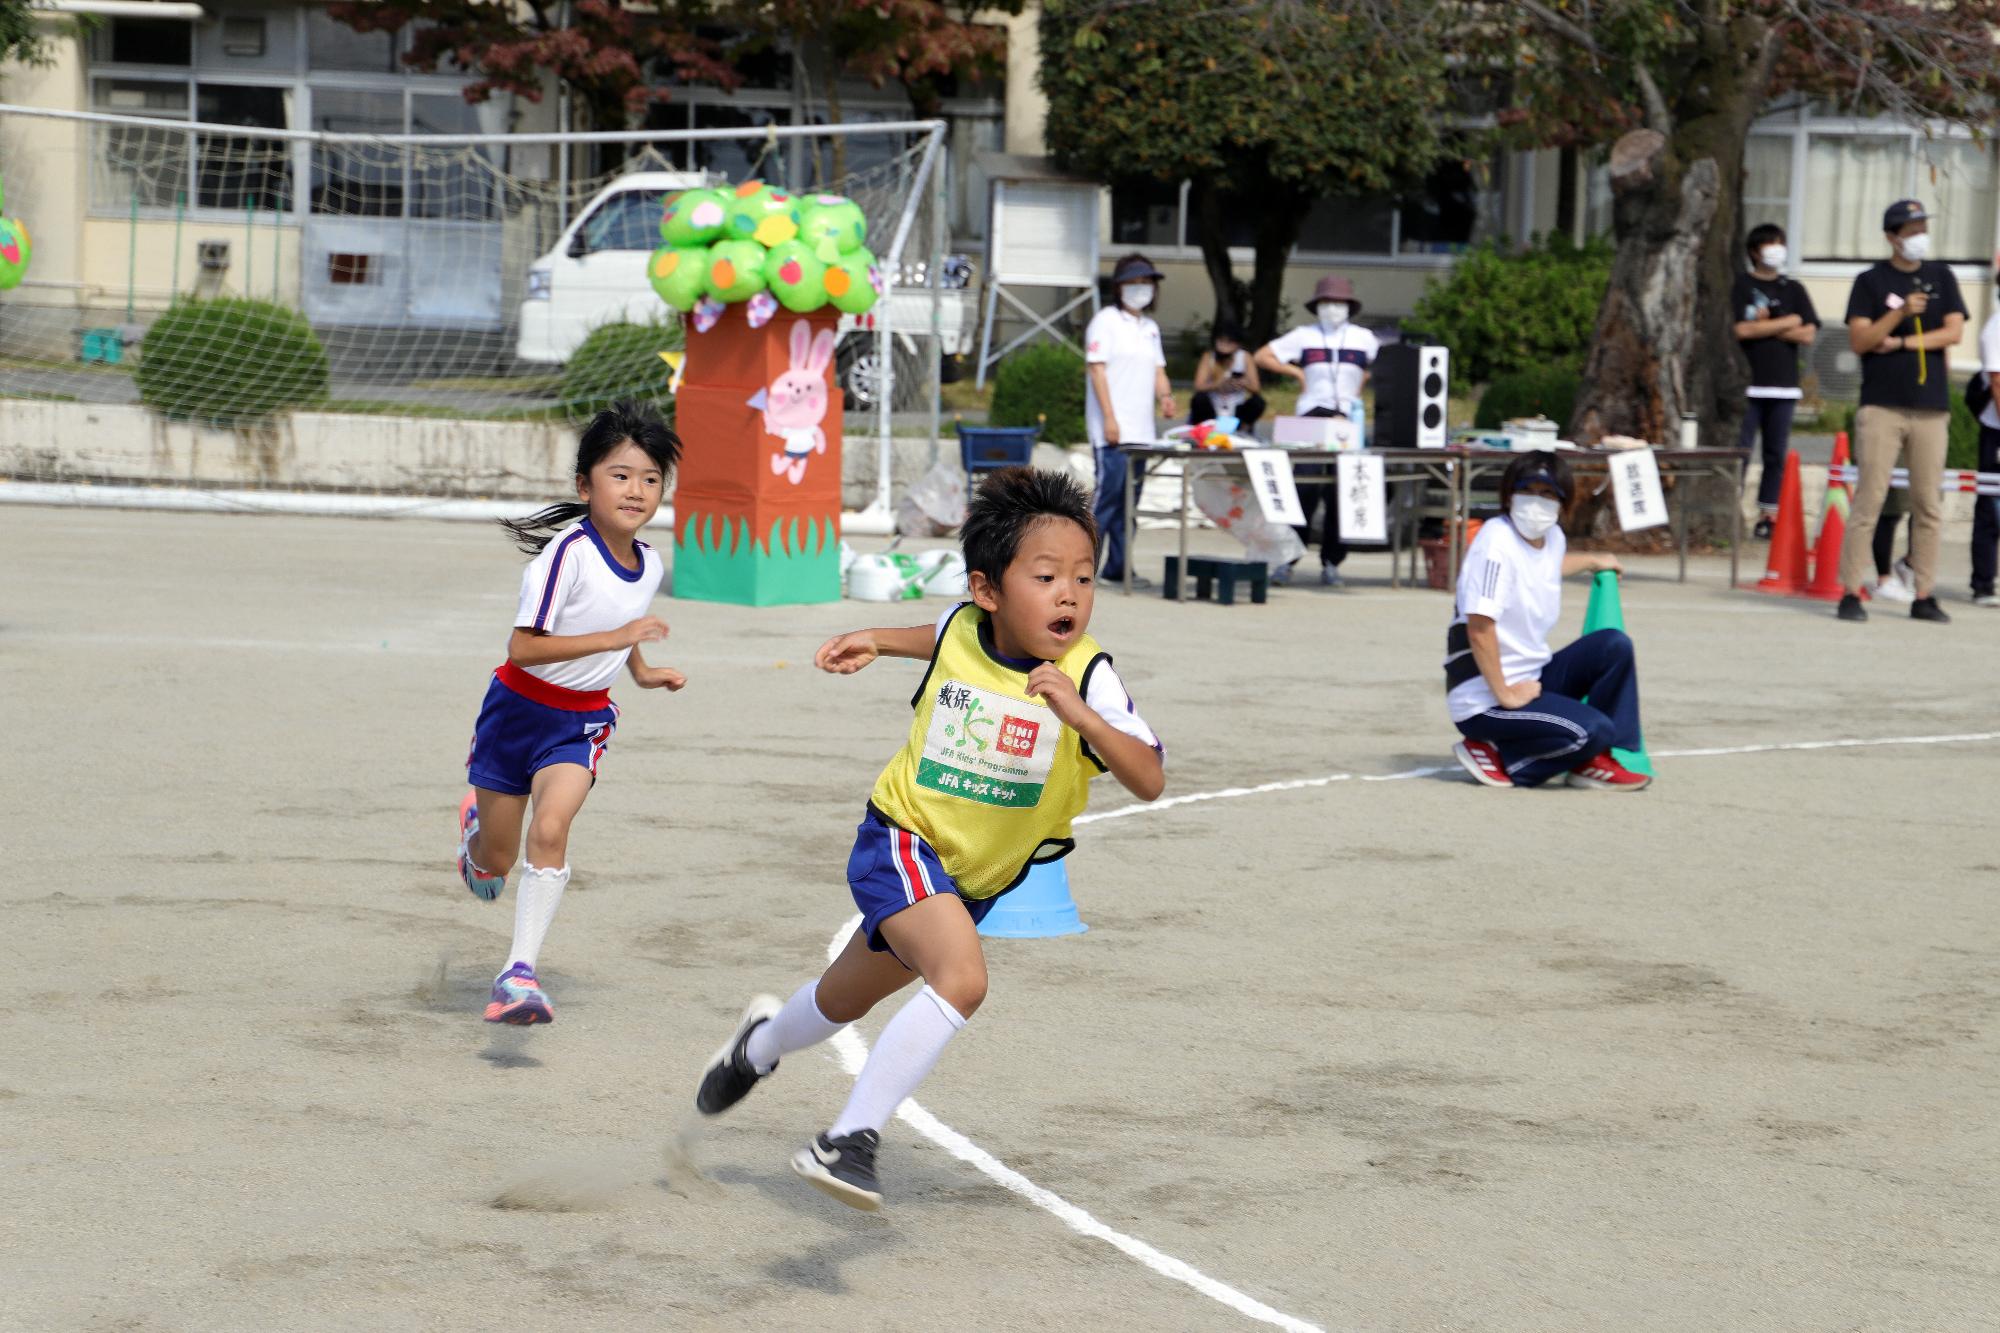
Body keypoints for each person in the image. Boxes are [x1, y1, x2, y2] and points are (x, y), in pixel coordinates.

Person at [692, 468, 1165, 1211]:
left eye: (1082, 576)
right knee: (963, 979)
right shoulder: (961, 627)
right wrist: (876, 638)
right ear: (988, 591)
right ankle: (848, 1138)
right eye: (1045, 576)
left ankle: (756, 1046)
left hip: (971, 881)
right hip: (902, 840)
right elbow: (940, 635)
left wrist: (1085, 720)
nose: (1070, 592)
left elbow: (1149, 777)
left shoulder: (1088, 676)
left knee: (837, 1001)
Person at [455, 402, 687, 1025]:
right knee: (496, 862)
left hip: (580, 722)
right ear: (585, 485)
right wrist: (616, 641)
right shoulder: (566, 555)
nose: (636, 490)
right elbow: (523, 648)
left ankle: (519, 976)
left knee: (552, 829)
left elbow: (622, 625)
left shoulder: (651, 562)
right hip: (515, 712)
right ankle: (474, 840)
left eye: (650, 478)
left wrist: (640, 672)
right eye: (620, 475)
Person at [1444, 451, 1649, 791]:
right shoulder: (1495, 543)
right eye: (1528, 491)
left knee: (1613, 646)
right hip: (1485, 697)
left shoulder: (1552, 539)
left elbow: (1544, 566)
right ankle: (1503, 755)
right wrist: (1505, 694)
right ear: (1509, 495)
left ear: (1562, 503)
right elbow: (1479, 627)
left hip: (1532, 678)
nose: (1537, 502)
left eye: (1549, 494)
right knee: (1592, 729)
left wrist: (1593, 561)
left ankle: (1598, 757)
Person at [1836, 198, 1965, 624]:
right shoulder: (1870, 281)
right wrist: (1897, 315)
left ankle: (1923, 593)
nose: (1918, 238)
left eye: (1922, 228)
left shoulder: (1941, 275)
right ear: (1892, 237)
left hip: (1930, 407)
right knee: (1870, 499)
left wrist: (1907, 342)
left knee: (1928, 503)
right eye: (1910, 231)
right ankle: (1851, 590)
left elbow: (1953, 330)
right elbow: (1860, 340)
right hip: (1882, 406)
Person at [1255, 274, 1379, 586]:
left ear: (1349, 306)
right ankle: (1288, 559)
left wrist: (1361, 384)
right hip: (1311, 414)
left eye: (1338, 303)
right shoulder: (1303, 335)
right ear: (1317, 306)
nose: (1333, 308)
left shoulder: (1363, 338)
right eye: (1327, 302)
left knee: (1343, 490)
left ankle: (1332, 562)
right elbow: (1262, 355)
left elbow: (1379, 367)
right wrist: (1294, 372)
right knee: (1303, 488)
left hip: (1348, 417)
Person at [1085, 253, 1176, 588]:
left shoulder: (1150, 328)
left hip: (1141, 432)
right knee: (1106, 501)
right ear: (1119, 286)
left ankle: (1118, 567)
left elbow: (1158, 370)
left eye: (1146, 283)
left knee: (1130, 505)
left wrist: (1165, 397)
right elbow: (1096, 370)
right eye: (1134, 282)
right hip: (1112, 432)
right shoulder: (1105, 321)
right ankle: (1082, 570)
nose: (1141, 289)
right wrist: (1109, 418)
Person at [1732, 224, 1819, 539]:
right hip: (1748, 383)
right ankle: (1731, 508)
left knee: (1775, 454)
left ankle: (1768, 514)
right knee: (1740, 450)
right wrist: (1788, 322)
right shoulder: (1742, 285)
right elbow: (1742, 330)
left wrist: (1768, 324)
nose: (1776, 249)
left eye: (1780, 243)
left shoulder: (1792, 289)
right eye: (1770, 243)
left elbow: (1808, 332)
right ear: (1755, 251)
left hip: (1783, 385)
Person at [1971, 260, 2000, 608]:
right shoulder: (1996, 328)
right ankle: (1982, 583)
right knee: (1991, 507)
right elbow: (1996, 381)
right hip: (1996, 431)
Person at [1190, 319, 1265, 432]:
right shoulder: (1209, 357)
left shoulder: (1245, 357)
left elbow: (1256, 388)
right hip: (1213, 406)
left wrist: (1243, 383)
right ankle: (1205, 428)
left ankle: (1243, 427)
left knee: (1258, 402)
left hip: (1236, 405)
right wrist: (1217, 384)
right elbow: (1198, 386)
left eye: (1229, 342)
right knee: (1199, 399)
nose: (1224, 346)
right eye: (1221, 341)